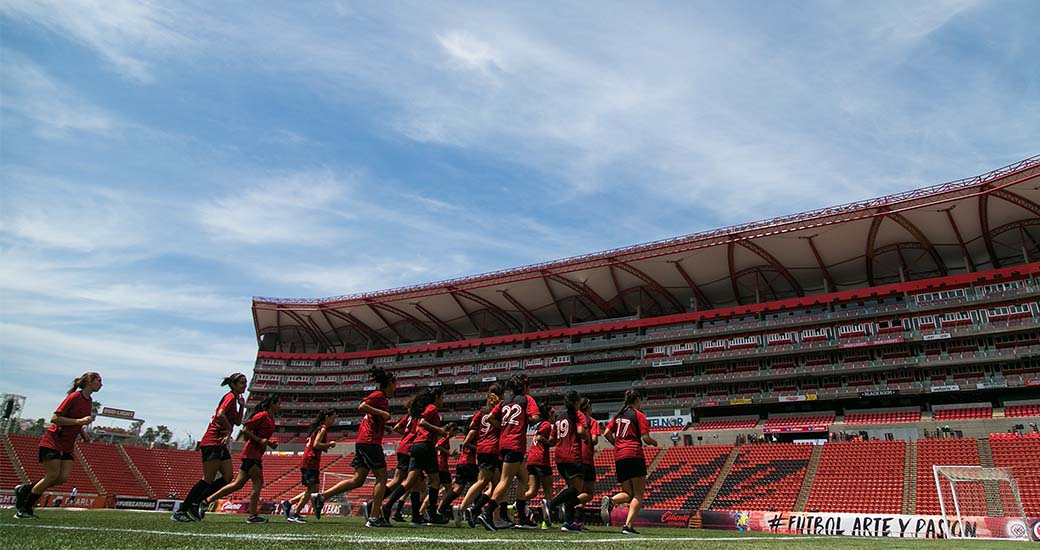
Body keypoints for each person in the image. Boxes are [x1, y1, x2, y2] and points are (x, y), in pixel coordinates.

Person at [313, 367, 396, 527]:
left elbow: (371, 416)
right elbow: (362, 406)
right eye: (394, 384)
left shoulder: (382, 398)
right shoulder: (380, 396)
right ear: (389, 384)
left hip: (363, 441)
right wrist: (382, 413)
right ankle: (374, 517)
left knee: (358, 480)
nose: (396, 388)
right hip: (370, 442)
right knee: (382, 477)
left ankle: (321, 497)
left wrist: (384, 426)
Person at [15, 372, 102, 520]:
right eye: (99, 381)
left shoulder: (89, 400)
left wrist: (83, 433)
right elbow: (55, 418)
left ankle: (25, 489)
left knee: (62, 478)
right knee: (52, 475)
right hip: (54, 440)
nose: (101, 384)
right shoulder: (74, 397)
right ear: (89, 382)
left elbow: (77, 420)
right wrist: (79, 422)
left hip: (67, 444)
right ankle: (24, 509)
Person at [172, 373, 247, 522]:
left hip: (220, 443)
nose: (244, 385)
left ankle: (197, 503)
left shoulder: (236, 400)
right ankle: (182, 510)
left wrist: (242, 406)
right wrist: (228, 429)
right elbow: (220, 414)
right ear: (233, 385)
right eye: (242, 383)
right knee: (207, 479)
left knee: (227, 477)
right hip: (212, 441)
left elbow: (238, 422)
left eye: (245, 383)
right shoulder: (230, 397)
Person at [199, 396, 281, 524]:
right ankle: (253, 515)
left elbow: (261, 435)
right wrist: (260, 440)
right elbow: (245, 430)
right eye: (278, 403)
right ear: (272, 404)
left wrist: (269, 443)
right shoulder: (262, 416)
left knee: (237, 484)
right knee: (258, 482)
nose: (280, 406)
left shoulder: (270, 418)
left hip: (255, 453)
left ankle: (206, 501)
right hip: (251, 454)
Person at [478, 373, 540, 531]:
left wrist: (503, 426)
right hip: (515, 444)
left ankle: (522, 516)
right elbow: (535, 417)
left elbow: (490, 417)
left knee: (523, 478)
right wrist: (527, 420)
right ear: (524, 387)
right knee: (505, 481)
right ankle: (487, 512)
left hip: (503, 443)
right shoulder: (527, 399)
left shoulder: (504, 401)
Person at [380, 387, 447, 526]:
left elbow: (401, 426)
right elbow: (422, 422)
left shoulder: (415, 412)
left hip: (415, 447)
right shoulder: (432, 408)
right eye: (442, 397)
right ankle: (432, 514)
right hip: (425, 446)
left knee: (411, 483)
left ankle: (389, 507)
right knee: (435, 480)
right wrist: (438, 430)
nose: (443, 401)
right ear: (437, 397)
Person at [601, 389, 657, 535]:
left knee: (628, 492)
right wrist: (654, 442)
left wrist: (617, 445)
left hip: (619, 456)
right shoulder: (639, 415)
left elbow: (606, 433)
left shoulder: (618, 416)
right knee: (638, 494)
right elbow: (645, 438)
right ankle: (628, 525)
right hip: (634, 454)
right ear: (637, 399)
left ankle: (611, 501)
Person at [459, 384, 503, 528]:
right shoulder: (498, 409)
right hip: (491, 447)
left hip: (483, 447)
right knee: (482, 481)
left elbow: (472, 425)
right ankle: (462, 510)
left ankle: (494, 517)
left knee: (497, 484)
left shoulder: (481, 411)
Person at [281, 409, 336, 523]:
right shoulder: (323, 428)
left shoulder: (317, 429)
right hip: (311, 462)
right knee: (312, 490)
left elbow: (311, 442)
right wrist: (329, 444)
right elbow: (316, 445)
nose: (334, 420)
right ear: (327, 417)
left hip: (309, 461)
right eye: (333, 417)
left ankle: (289, 503)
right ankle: (295, 513)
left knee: (313, 489)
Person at [548, 391, 588, 532]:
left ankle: (567, 523)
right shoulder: (578, 414)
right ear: (576, 402)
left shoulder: (559, 417)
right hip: (572, 454)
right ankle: (551, 504)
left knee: (571, 490)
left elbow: (552, 439)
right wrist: (587, 438)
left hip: (559, 456)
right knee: (575, 490)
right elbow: (580, 430)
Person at [522, 403, 556, 528]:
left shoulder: (540, 425)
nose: (554, 415)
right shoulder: (547, 425)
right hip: (541, 459)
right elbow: (545, 440)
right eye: (552, 413)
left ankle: (517, 506)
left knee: (532, 491)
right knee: (548, 492)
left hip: (531, 459)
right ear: (547, 414)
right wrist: (551, 442)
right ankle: (545, 522)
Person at [576, 397, 600, 524]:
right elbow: (595, 440)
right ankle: (569, 503)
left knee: (578, 490)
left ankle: (576, 520)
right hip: (586, 459)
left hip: (573, 457)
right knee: (589, 493)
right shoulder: (592, 421)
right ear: (588, 407)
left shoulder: (574, 420)